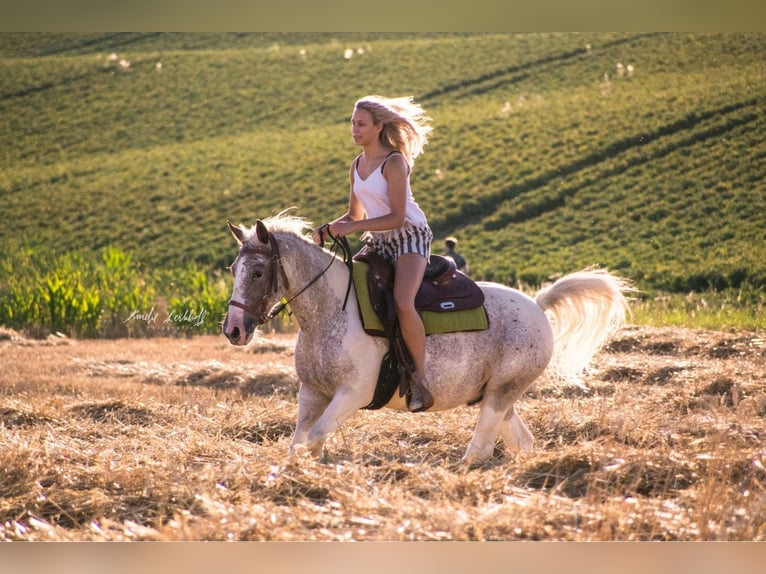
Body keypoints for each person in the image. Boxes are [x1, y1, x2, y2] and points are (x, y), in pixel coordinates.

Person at [313, 95, 434, 412]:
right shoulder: (356, 166)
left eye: (361, 124)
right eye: (352, 123)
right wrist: (329, 229)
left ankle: (420, 380)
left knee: (403, 302)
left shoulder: (394, 163)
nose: (354, 129)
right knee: (349, 293)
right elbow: (353, 216)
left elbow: (396, 217)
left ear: (379, 127)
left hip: (409, 237)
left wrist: (353, 229)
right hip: (379, 241)